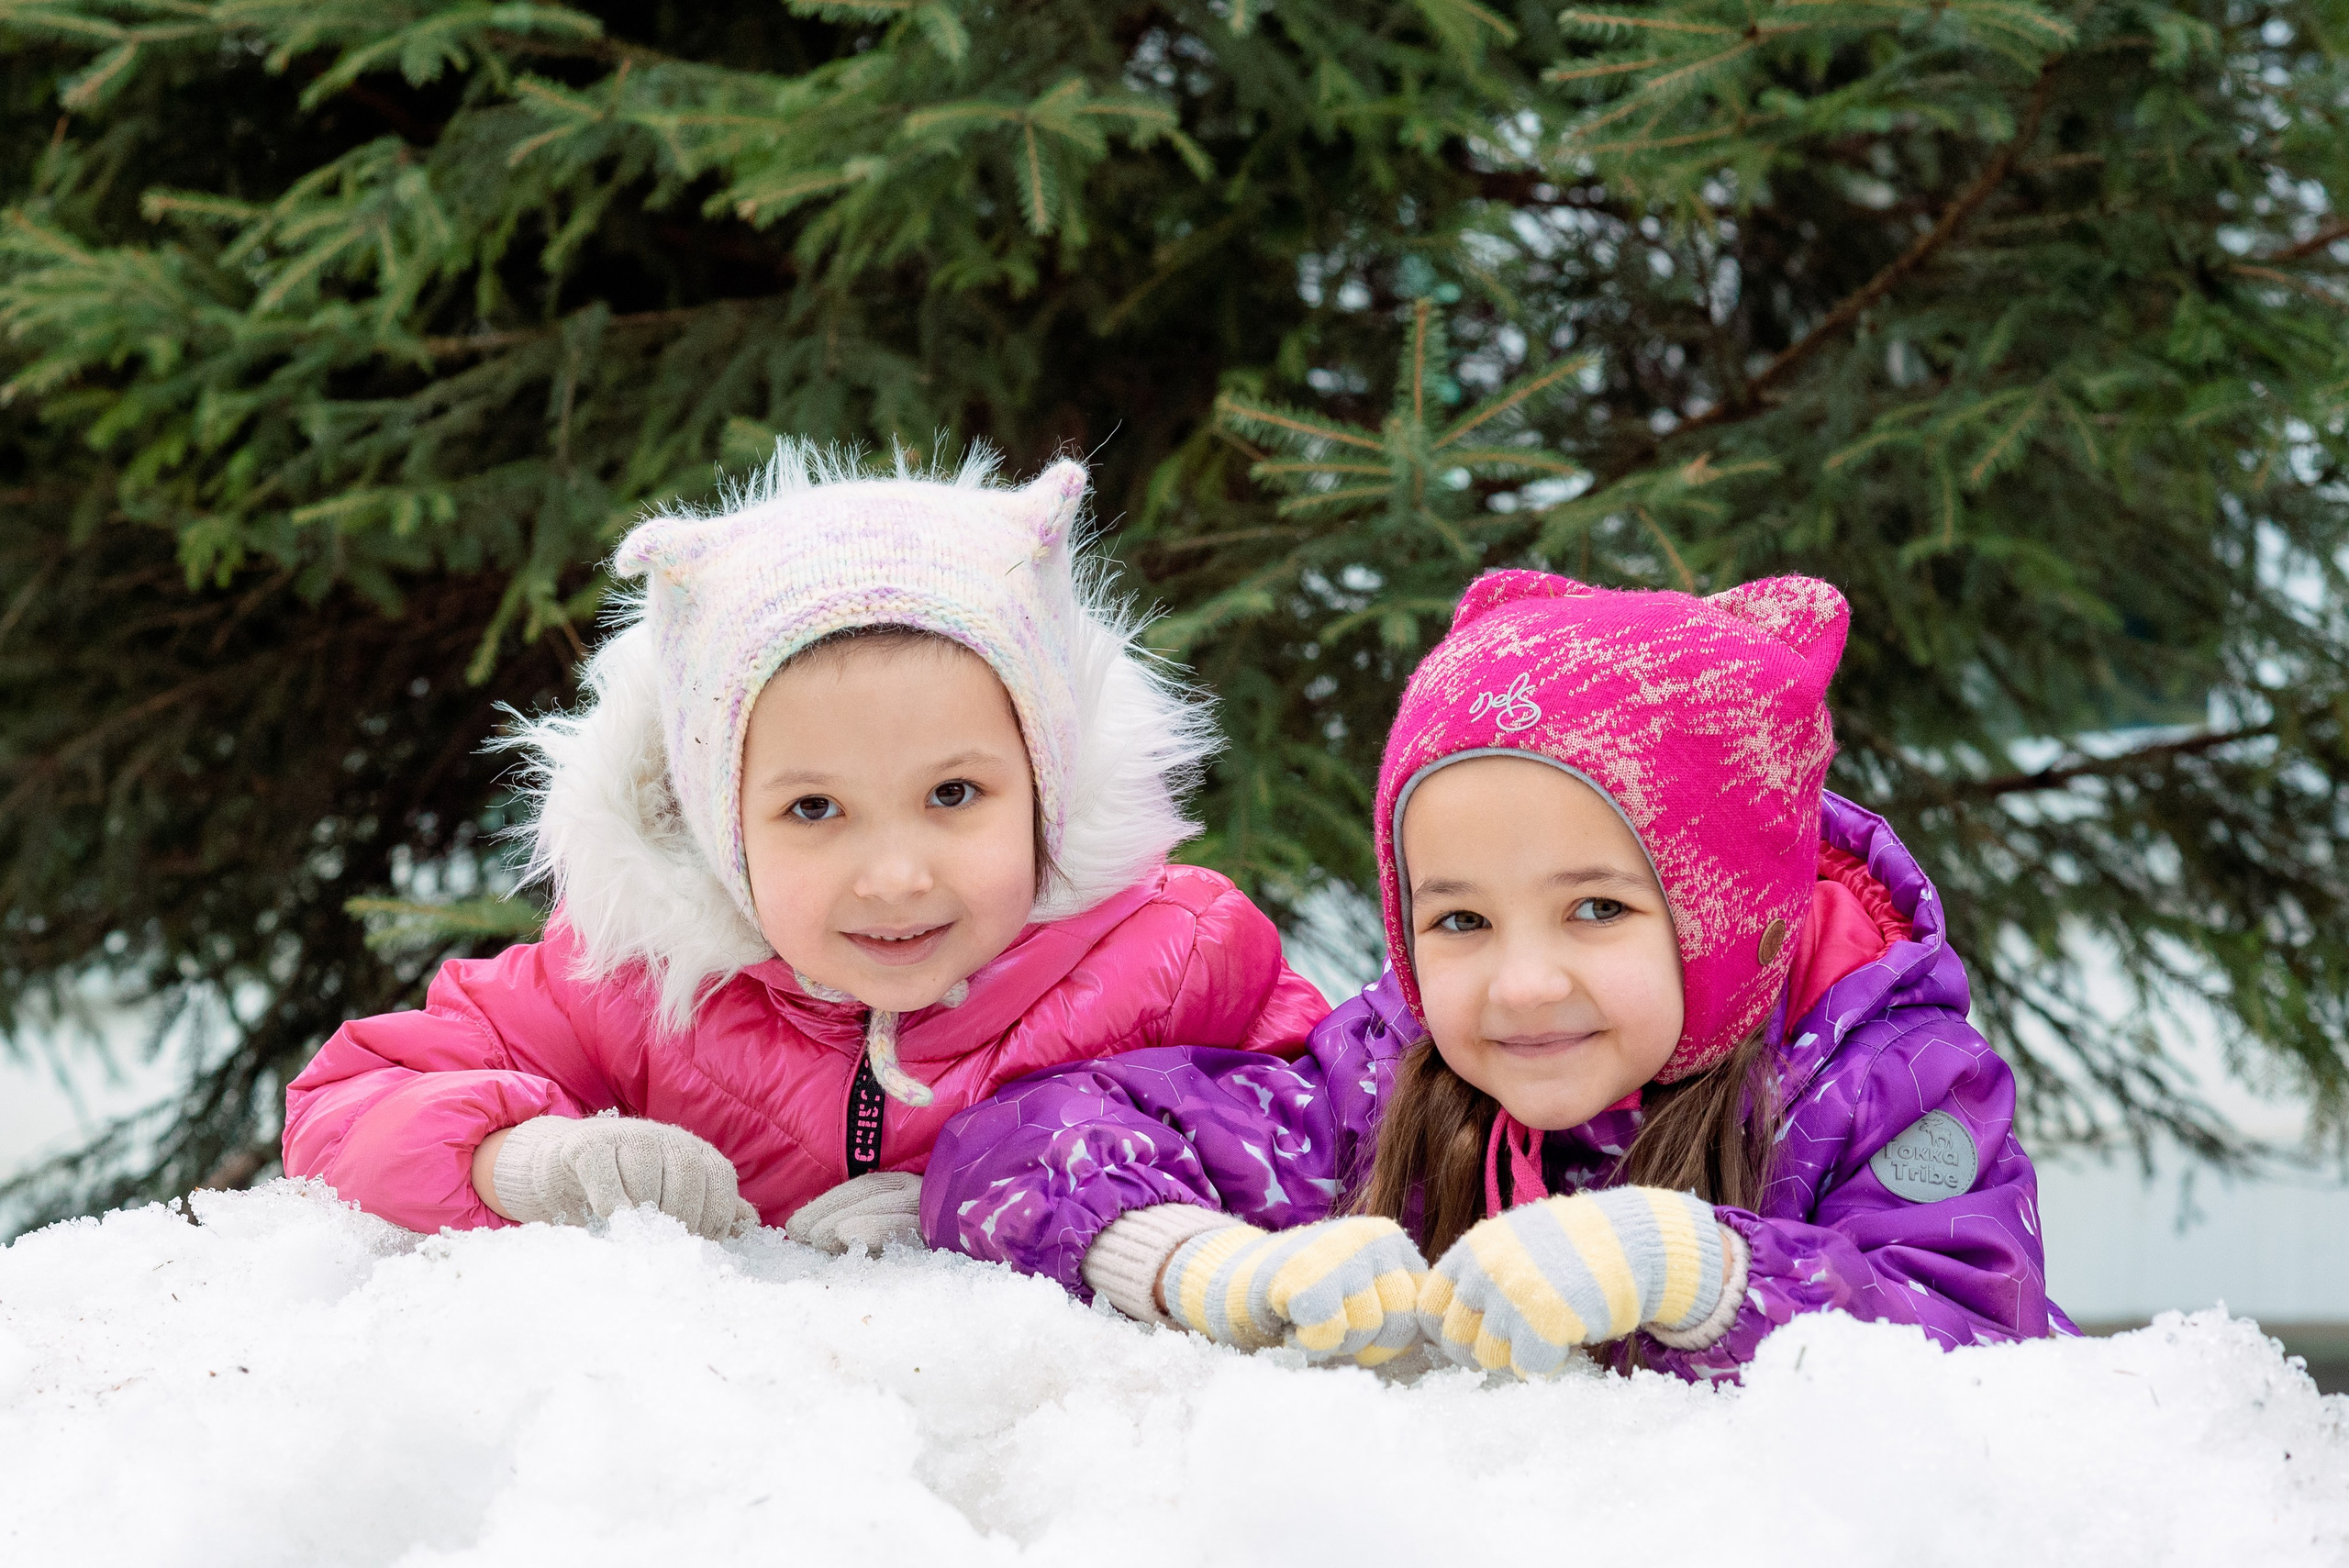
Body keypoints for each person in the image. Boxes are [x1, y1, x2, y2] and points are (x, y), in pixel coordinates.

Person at [923, 568, 2073, 1378]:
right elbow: (1011, 1145)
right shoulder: (1389, 1076)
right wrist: (1202, 1265)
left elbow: (1987, 1348)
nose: (1519, 983)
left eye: (1595, 908)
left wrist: (1698, 1270)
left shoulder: (1886, 1086)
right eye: (1462, 918)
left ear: (1730, 914)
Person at [282, 447, 1327, 1249]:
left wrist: (1012, 1195)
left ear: (1045, 786)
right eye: (815, 809)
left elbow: (1332, 1137)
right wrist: (528, 1160)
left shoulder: (1176, 957)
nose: (895, 873)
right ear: (718, 819)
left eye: (953, 793)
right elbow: (344, 1112)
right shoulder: (628, 986)